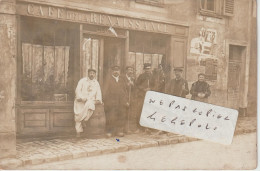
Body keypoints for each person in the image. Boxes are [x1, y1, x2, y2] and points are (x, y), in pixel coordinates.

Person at [74, 69, 102, 138]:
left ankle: (85, 120)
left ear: (95, 74)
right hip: (80, 101)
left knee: (91, 106)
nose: (91, 74)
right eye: (90, 73)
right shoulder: (82, 81)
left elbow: (98, 92)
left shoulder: (96, 83)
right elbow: (78, 90)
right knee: (78, 116)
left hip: (90, 101)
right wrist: (81, 98)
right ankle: (78, 133)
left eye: (93, 73)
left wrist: (98, 99)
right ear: (88, 74)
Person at [103, 66, 129, 137]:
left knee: (121, 116)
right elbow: (105, 91)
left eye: (117, 70)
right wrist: (105, 101)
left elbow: (125, 91)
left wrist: (126, 101)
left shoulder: (121, 80)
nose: (116, 72)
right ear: (112, 71)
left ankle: (119, 131)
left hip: (121, 102)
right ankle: (109, 131)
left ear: (119, 72)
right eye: (114, 70)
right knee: (111, 117)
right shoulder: (109, 80)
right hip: (111, 102)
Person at [135, 63, 155, 133]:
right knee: (140, 111)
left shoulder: (153, 77)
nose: (147, 70)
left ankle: (148, 127)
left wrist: (151, 89)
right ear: (144, 69)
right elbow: (137, 85)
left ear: (151, 69)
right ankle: (140, 127)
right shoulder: (141, 76)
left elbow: (156, 85)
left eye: (149, 69)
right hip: (142, 96)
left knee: (149, 111)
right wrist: (143, 89)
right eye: (146, 69)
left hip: (150, 96)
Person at [122, 66, 137, 134]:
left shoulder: (133, 79)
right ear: (126, 71)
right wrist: (128, 84)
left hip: (131, 98)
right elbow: (121, 88)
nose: (130, 71)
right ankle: (124, 129)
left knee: (130, 114)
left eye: (131, 70)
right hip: (124, 98)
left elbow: (135, 89)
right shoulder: (122, 78)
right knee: (124, 114)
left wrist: (133, 85)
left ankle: (130, 128)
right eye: (129, 70)